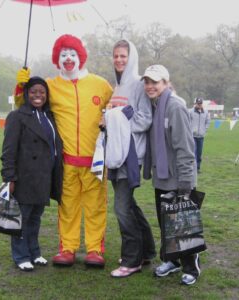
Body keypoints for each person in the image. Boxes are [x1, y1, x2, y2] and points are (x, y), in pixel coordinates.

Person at [15, 34, 113, 267]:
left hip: (96, 161)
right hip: (66, 162)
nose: (68, 58)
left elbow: (118, 103)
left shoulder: (101, 84)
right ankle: (67, 248)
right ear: (56, 60)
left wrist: (110, 114)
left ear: (81, 56)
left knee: (95, 206)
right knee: (67, 206)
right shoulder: (50, 86)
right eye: (63, 55)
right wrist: (21, 86)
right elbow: (24, 105)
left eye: (72, 54)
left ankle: (94, 249)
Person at [143, 65, 200, 285]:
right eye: (147, 82)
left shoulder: (175, 107)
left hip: (179, 178)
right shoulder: (153, 106)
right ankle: (172, 260)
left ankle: (190, 267)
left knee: (183, 225)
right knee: (167, 224)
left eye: (155, 82)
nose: (150, 86)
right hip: (162, 178)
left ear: (166, 83)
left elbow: (185, 148)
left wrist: (186, 182)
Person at [103, 40, 156, 278]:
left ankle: (132, 260)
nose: (119, 60)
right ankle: (147, 251)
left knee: (121, 207)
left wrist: (117, 120)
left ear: (131, 56)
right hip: (116, 152)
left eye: (123, 55)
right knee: (129, 205)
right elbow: (117, 116)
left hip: (131, 154)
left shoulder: (137, 84)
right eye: (115, 56)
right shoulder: (117, 86)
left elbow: (145, 118)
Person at [1, 76, 63, 272]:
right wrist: (9, 177)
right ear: (27, 94)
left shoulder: (48, 116)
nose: (38, 95)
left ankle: (34, 253)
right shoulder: (18, 116)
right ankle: (21, 255)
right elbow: (8, 150)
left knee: (35, 218)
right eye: (34, 92)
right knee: (22, 218)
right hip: (25, 178)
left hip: (44, 177)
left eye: (42, 92)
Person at [189, 98, 210, 173]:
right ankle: (192, 167)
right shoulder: (190, 111)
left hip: (201, 136)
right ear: (195, 103)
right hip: (192, 136)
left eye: (200, 103)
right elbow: (187, 121)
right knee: (193, 152)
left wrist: (205, 129)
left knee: (199, 152)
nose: (199, 105)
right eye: (198, 103)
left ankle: (198, 168)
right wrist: (190, 130)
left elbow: (208, 121)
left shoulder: (206, 112)